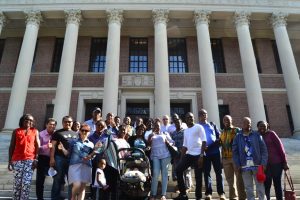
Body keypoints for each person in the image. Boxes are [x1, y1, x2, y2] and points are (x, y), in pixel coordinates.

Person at [232, 117, 268, 200]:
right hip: (244, 166)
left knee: (260, 187)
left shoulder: (257, 134)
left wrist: (263, 163)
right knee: (248, 188)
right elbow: (235, 152)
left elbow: (264, 150)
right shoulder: (238, 137)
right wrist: (237, 164)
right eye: (245, 123)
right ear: (242, 124)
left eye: (249, 123)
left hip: (257, 165)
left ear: (251, 124)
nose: (247, 125)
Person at [174, 112, 207, 200]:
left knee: (198, 177)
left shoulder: (198, 127)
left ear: (194, 118)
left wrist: (201, 156)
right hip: (189, 155)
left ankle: (198, 197)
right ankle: (183, 194)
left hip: (198, 155)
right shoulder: (186, 131)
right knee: (178, 169)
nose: (190, 119)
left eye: (192, 117)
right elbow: (185, 146)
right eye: (188, 117)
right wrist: (181, 159)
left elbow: (204, 141)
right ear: (186, 120)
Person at [8, 114, 40, 200]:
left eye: (31, 120)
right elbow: (11, 146)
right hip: (17, 160)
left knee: (26, 183)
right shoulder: (16, 131)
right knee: (17, 183)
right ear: (22, 120)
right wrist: (9, 161)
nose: (29, 121)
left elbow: (37, 146)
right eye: (26, 119)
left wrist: (36, 159)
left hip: (30, 160)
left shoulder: (35, 131)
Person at [59, 123, 95, 200]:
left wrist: (95, 150)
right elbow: (68, 154)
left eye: (87, 130)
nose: (84, 132)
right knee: (77, 185)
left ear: (89, 132)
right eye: (83, 130)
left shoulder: (91, 144)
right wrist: (62, 149)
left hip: (86, 166)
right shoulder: (73, 142)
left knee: (82, 188)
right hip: (74, 165)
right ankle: (72, 197)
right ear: (79, 131)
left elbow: (93, 156)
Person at [257, 120, 289, 200]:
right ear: (257, 127)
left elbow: (280, 148)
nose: (262, 127)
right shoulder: (257, 136)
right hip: (265, 165)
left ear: (267, 126)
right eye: (260, 126)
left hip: (276, 164)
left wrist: (284, 162)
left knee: (277, 184)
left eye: (264, 126)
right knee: (266, 185)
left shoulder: (271, 134)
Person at [199, 109, 225, 200]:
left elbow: (219, 137)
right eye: (202, 114)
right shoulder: (198, 126)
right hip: (205, 153)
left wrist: (211, 145)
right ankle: (208, 193)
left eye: (205, 114)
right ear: (199, 116)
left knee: (219, 172)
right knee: (207, 173)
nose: (204, 115)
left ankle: (221, 193)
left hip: (215, 152)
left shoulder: (212, 124)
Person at [50, 116, 78, 200]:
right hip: (59, 159)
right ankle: (55, 198)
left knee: (71, 180)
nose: (68, 123)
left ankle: (71, 198)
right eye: (66, 122)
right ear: (62, 123)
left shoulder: (76, 134)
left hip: (72, 160)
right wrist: (52, 158)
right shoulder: (57, 133)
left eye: (69, 122)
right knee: (58, 179)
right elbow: (53, 146)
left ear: (72, 123)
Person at [220, 115, 246, 200]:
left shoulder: (237, 130)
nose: (226, 121)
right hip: (225, 158)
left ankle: (242, 197)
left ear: (231, 120)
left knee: (239, 178)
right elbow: (222, 145)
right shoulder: (222, 132)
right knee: (230, 180)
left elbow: (242, 143)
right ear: (223, 122)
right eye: (224, 120)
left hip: (235, 158)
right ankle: (233, 197)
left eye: (228, 120)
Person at [148, 119, 173, 200]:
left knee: (164, 174)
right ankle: (153, 194)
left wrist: (168, 143)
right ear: (153, 127)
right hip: (155, 156)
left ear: (160, 126)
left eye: (158, 126)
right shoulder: (151, 135)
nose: (157, 127)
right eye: (155, 126)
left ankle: (163, 194)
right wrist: (150, 136)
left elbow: (172, 142)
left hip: (165, 155)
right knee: (155, 174)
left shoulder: (165, 133)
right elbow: (148, 144)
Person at [36, 118, 57, 200]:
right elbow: (36, 149)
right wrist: (46, 146)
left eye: (54, 125)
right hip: (42, 158)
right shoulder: (41, 134)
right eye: (50, 124)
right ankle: (40, 198)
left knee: (57, 179)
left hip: (53, 159)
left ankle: (55, 196)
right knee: (40, 180)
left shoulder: (56, 134)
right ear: (46, 125)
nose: (52, 126)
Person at [170, 118, 193, 193]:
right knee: (178, 171)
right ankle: (180, 186)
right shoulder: (173, 133)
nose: (177, 124)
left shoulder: (185, 131)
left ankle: (188, 186)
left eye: (178, 123)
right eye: (176, 123)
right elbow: (171, 143)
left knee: (186, 171)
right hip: (176, 154)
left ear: (181, 123)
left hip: (185, 153)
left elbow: (188, 142)